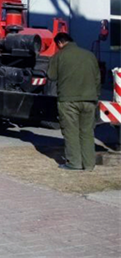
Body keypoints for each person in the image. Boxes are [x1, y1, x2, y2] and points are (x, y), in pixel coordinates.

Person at [47, 32, 101, 171]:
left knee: (71, 131)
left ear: (60, 43)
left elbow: (51, 76)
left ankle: (74, 163)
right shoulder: (90, 55)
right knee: (87, 132)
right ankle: (89, 164)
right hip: (89, 100)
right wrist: (95, 96)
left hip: (68, 100)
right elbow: (97, 79)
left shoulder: (59, 56)